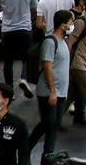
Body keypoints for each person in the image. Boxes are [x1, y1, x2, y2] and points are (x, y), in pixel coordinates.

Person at [29, 9, 71, 159]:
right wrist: (52, 90)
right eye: (70, 22)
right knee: (48, 123)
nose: (72, 25)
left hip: (61, 92)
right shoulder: (50, 42)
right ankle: (26, 147)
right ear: (63, 25)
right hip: (49, 92)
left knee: (54, 126)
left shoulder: (64, 42)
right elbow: (47, 66)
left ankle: (48, 156)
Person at [0, 0, 36, 92]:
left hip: (8, 30)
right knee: (27, 57)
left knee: (8, 61)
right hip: (25, 28)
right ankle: (23, 78)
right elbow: (35, 6)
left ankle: (9, 90)